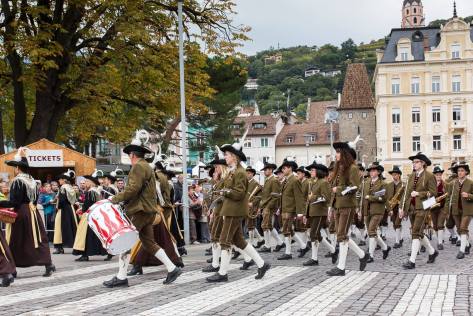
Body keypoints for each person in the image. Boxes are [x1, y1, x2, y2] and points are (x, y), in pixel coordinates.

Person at [104, 134, 182, 288]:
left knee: (124, 241)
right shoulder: (146, 166)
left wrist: (114, 199)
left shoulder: (138, 166)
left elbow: (133, 188)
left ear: (132, 154)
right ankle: (172, 269)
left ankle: (121, 277)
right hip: (147, 210)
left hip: (139, 210)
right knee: (149, 242)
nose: (129, 156)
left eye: (128, 154)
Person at [206, 141, 270, 283]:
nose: (225, 157)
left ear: (234, 157)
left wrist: (226, 192)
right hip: (230, 209)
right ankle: (262, 264)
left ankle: (222, 273)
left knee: (224, 241)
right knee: (239, 241)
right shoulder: (233, 171)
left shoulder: (240, 172)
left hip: (234, 211)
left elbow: (240, 193)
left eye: (227, 155)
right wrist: (224, 190)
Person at [0, 148, 55, 277]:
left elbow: (14, 202)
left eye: (15, 167)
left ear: (18, 168)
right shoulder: (33, 181)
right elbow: (34, 200)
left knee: (16, 239)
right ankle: (48, 263)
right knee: (38, 238)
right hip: (33, 212)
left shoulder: (17, 181)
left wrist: (1, 203)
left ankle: (11, 269)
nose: (14, 169)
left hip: (22, 213)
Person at [326, 137, 369, 276]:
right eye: (336, 152)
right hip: (338, 205)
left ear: (344, 153)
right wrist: (331, 206)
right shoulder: (340, 168)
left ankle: (341, 267)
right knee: (342, 235)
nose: (336, 154)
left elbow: (355, 187)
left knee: (342, 235)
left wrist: (338, 190)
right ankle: (362, 255)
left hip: (347, 206)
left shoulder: (353, 168)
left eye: (338, 152)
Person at [399, 152, 438, 269]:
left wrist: (419, 194)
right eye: (413, 162)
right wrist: (401, 207)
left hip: (423, 207)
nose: (414, 164)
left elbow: (434, 193)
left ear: (423, 163)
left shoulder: (429, 176)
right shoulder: (411, 176)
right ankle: (432, 252)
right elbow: (405, 194)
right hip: (411, 208)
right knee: (419, 233)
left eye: (416, 162)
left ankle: (412, 261)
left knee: (415, 232)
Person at [304, 162, 338, 266]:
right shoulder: (314, 182)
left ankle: (315, 258)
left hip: (319, 212)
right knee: (316, 234)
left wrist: (313, 197)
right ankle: (333, 250)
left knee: (313, 234)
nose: (311, 172)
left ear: (318, 171)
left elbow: (326, 198)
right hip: (312, 211)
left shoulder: (323, 182)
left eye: (313, 170)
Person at [72, 172, 108, 261]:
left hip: (89, 215)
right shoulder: (96, 191)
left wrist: (81, 209)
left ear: (91, 183)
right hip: (95, 215)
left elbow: (88, 204)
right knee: (94, 235)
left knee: (84, 235)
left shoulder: (91, 192)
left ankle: (84, 254)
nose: (86, 183)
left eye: (87, 181)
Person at [359, 162, 390, 263]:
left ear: (379, 172)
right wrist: (360, 209)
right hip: (366, 210)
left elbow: (383, 198)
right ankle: (385, 248)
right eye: (370, 171)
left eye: (374, 171)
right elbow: (361, 196)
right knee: (372, 232)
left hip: (377, 210)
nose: (372, 172)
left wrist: (370, 197)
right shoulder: (366, 183)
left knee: (372, 230)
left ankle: (371, 256)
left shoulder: (383, 184)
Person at [277, 158, 306, 260]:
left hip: (290, 209)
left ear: (290, 168)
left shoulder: (294, 180)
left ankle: (288, 252)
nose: (283, 170)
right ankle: (303, 246)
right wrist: (279, 208)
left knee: (286, 230)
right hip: (285, 209)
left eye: (284, 168)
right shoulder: (287, 180)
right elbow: (284, 196)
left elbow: (299, 197)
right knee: (289, 230)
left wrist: (300, 213)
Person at [202, 157, 227, 273]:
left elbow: (219, 197)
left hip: (221, 211)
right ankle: (215, 262)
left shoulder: (224, 180)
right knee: (231, 240)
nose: (214, 170)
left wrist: (212, 210)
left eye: (216, 167)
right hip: (217, 211)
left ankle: (216, 264)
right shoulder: (215, 182)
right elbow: (209, 197)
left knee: (217, 238)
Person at [444, 162, 473, 259]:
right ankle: (467, 245)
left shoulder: (471, 183)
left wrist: (468, 195)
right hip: (455, 210)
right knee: (460, 229)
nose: (460, 172)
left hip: (467, 210)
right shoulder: (453, 183)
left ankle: (462, 250)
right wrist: (447, 210)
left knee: (463, 228)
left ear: (466, 172)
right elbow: (448, 197)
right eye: (458, 171)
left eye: (462, 171)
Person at [258, 161, 284, 253]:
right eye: (264, 170)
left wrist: (268, 207)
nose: (264, 172)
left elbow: (276, 196)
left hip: (269, 206)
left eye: (266, 170)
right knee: (268, 226)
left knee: (265, 225)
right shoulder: (268, 179)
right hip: (266, 205)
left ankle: (267, 245)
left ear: (270, 170)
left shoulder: (274, 180)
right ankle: (280, 242)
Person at [53, 170, 78, 254]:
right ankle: (76, 246)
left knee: (59, 227)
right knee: (72, 226)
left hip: (63, 210)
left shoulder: (63, 187)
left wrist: (58, 207)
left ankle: (59, 247)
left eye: (60, 179)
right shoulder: (70, 187)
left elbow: (62, 200)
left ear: (64, 180)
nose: (59, 181)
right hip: (70, 209)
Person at [386, 166, 405, 248]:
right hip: (392, 207)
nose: (394, 176)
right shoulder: (389, 185)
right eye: (393, 175)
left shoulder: (404, 185)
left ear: (399, 175)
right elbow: (387, 196)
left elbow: (405, 197)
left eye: (396, 175)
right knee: (395, 224)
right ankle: (400, 238)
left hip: (400, 207)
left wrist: (400, 204)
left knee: (397, 223)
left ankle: (397, 242)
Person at [245, 167, 264, 249]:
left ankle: (251, 242)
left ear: (252, 174)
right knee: (250, 224)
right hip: (245, 205)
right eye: (246, 173)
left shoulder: (256, 184)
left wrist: (252, 203)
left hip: (252, 206)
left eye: (249, 173)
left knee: (250, 224)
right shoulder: (245, 183)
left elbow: (259, 196)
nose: (247, 174)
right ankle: (260, 239)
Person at [430, 166, 448, 250]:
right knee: (435, 226)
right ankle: (439, 239)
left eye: (440, 174)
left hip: (442, 208)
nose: (438, 176)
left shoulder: (445, 185)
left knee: (440, 225)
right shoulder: (430, 185)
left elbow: (448, 197)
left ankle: (440, 243)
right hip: (433, 208)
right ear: (434, 175)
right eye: (437, 175)